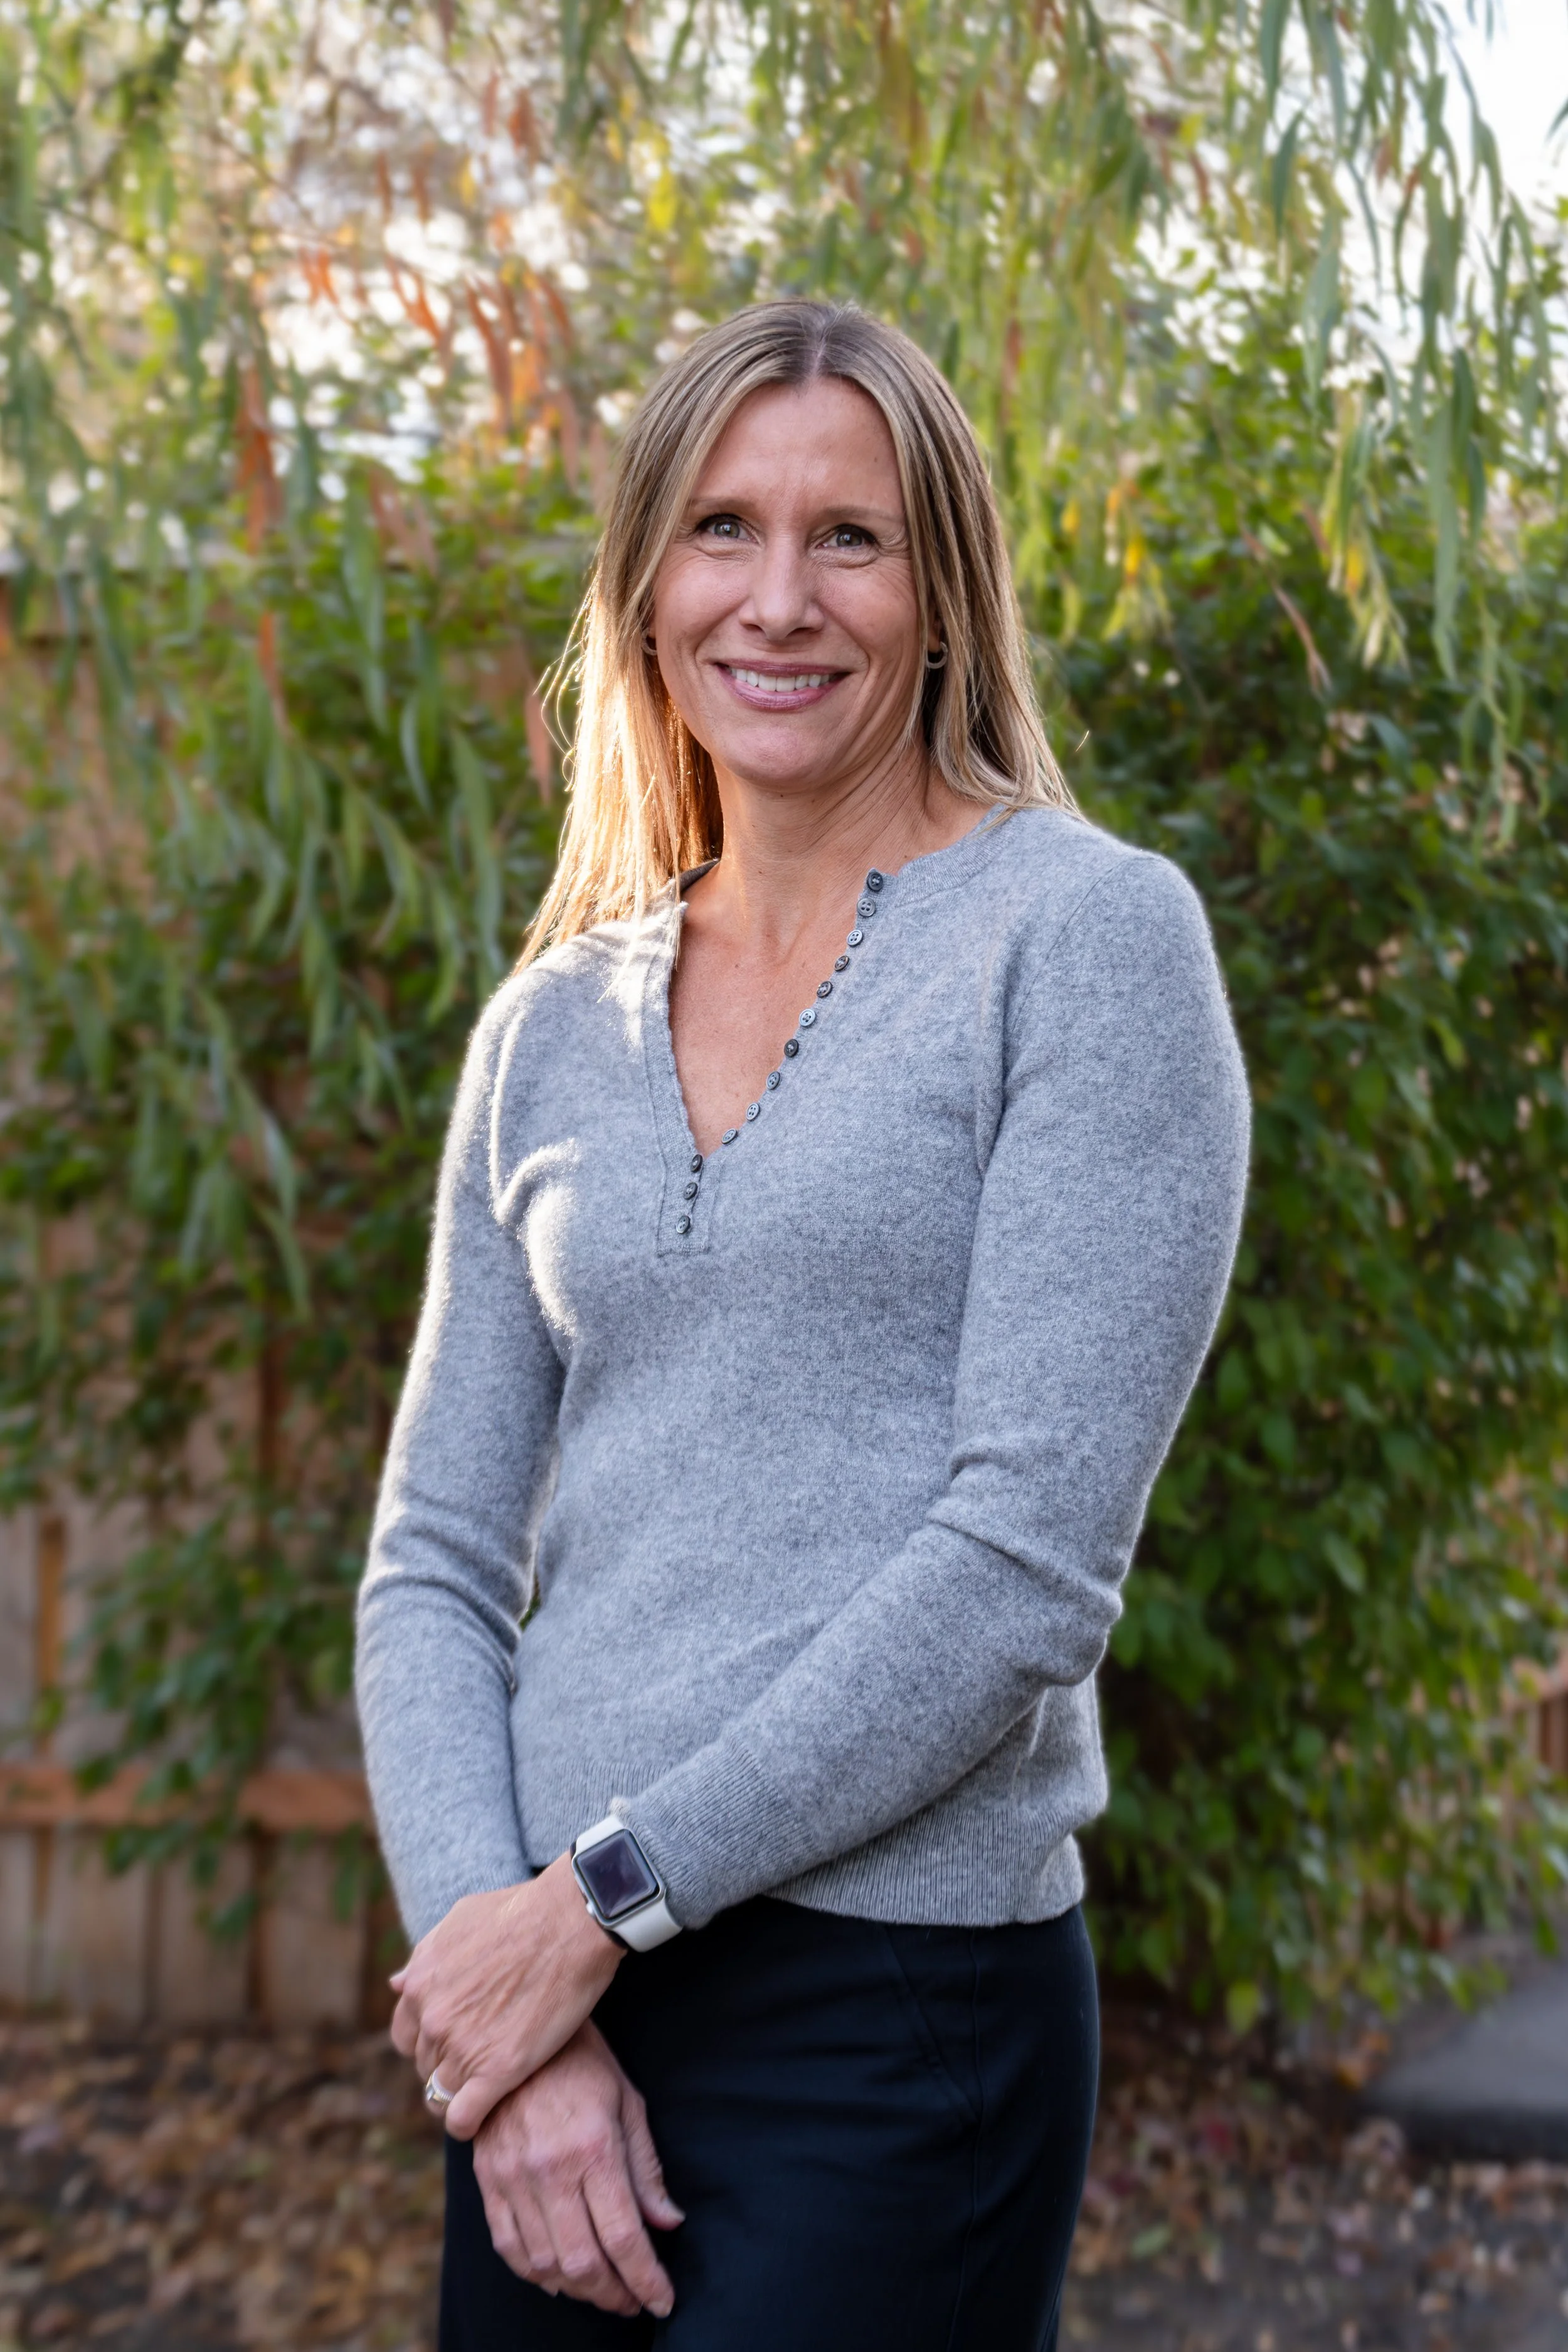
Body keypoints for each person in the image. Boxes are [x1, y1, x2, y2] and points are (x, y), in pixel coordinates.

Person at [356, 297, 1250, 2351]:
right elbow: (431, 1566)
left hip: (889, 2017)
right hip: (546, 2028)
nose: (778, 598)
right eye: (721, 529)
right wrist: (505, 2002)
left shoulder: (1083, 943)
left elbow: (1022, 1566)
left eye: (848, 537)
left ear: (942, 592)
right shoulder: (545, 1030)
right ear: (643, 586)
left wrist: (591, 1905)